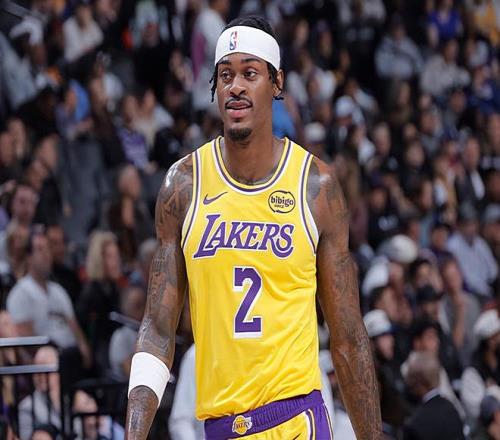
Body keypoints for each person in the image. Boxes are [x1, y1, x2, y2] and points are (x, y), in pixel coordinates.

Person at [126, 15, 381, 440]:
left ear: (277, 82)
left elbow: (349, 337)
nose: (236, 87)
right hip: (221, 428)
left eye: (250, 73)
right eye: (226, 75)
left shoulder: (316, 187)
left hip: (296, 420)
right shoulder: (183, 186)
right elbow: (157, 329)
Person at [6, 229, 91, 367]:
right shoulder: (20, 294)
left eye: (47, 249)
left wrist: (84, 351)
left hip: (72, 359)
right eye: (40, 249)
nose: (46, 254)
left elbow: (75, 329)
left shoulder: (58, 290)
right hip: (46, 364)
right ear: (28, 257)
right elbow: (27, 343)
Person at [403, 351, 465, 440]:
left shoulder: (414, 425)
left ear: (418, 382)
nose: (409, 383)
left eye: (411, 378)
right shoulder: (451, 409)